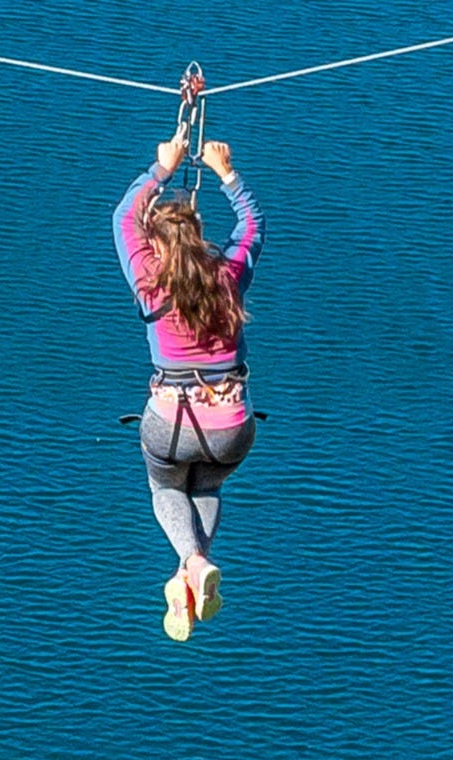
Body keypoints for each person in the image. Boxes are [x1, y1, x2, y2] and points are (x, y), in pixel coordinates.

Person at [113, 136, 263, 641]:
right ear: (199, 238)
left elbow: (123, 219)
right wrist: (226, 173)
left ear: (154, 244)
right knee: (208, 484)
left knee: (165, 485)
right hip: (231, 425)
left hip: (170, 422)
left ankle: (192, 559)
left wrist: (161, 168)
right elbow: (253, 227)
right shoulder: (228, 277)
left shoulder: (149, 282)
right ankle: (193, 569)